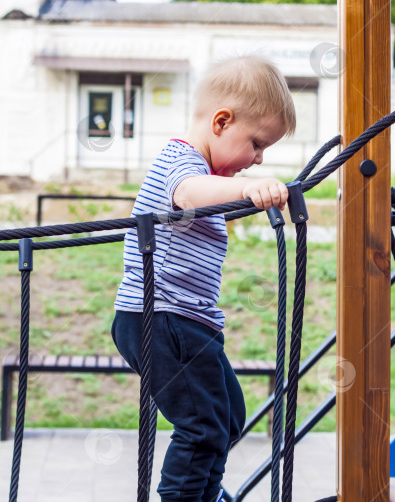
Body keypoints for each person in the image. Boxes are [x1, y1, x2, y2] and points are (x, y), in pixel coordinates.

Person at [112, 55, 296, 502]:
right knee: (201, 425)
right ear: (221, 121)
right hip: (160, 318)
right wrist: (247, 189)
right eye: (256, 143)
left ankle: (206, 495)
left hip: (185, 323)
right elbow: (188, 193)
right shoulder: (181, 162)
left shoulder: (203, 168)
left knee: (229, 416)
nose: (257, 158)